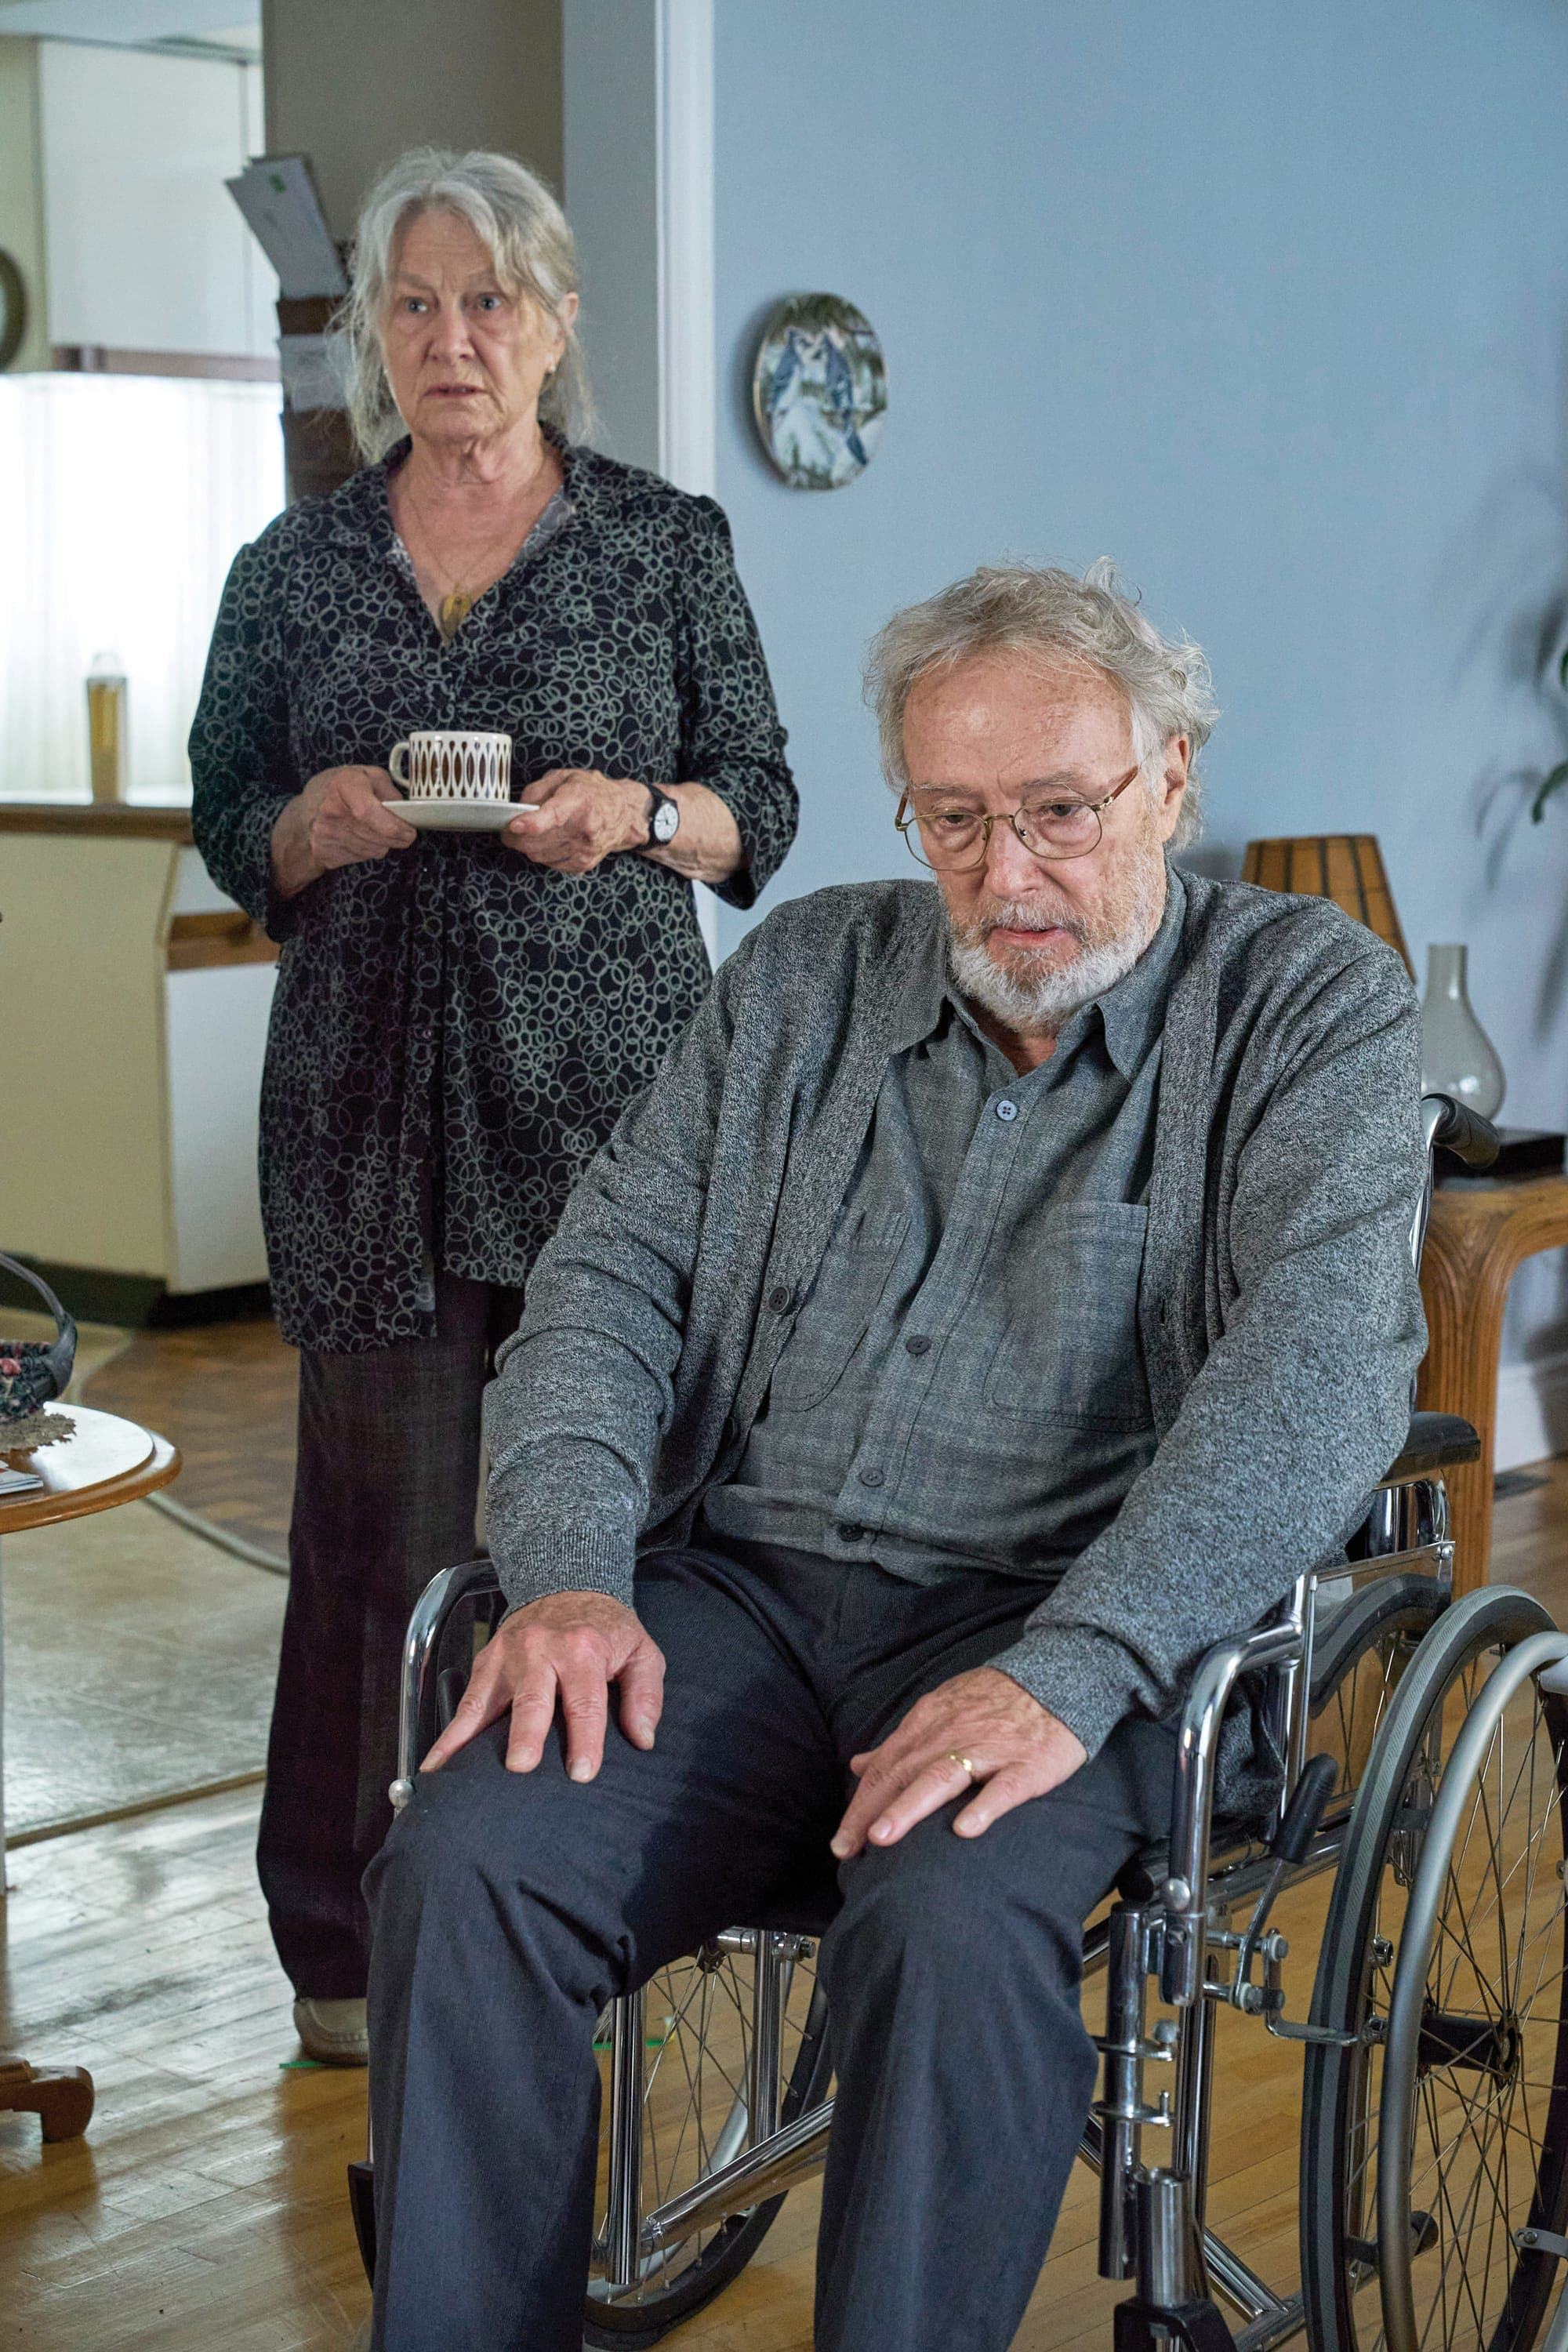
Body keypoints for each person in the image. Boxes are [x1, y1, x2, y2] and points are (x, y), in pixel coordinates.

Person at [363, 563, 1425, 2351]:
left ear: (1171, 777)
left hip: (1059, 1626)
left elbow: (1316, 1375)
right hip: (746, 1603)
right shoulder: (802, 974)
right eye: (956, 818)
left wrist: (1073, 1669)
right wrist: (559, 1571)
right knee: (467, 1855)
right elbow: (607, 1277)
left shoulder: (1300, 1002)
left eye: (1060, 813)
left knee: (939, 1925)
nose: (1007, 875)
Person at [188, 147, 797, 2067]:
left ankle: (593, 1900)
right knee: (373, 1534)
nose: (453, 339)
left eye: (489, 301)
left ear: (555, 320)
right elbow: (227, 819)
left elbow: (755, 802)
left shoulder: (662, 542)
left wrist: (635, 815)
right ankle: (345, 1949)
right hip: (363, 1114)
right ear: (376, 331)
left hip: (607, 1115)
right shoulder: (293, 568)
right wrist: (310, 822)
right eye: (415, 303)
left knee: (603, 1520)